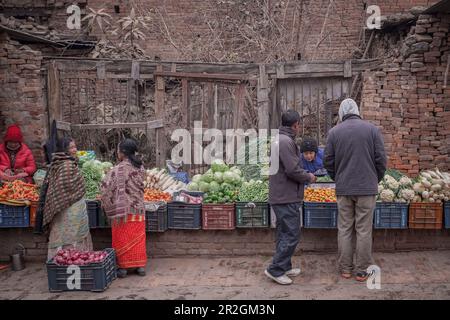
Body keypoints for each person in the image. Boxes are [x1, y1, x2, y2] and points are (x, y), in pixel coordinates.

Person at [324, 98, 387, 282]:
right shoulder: (372, 130)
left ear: (342, 113)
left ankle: (345, 269)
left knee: (344, 228)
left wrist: (339, 178)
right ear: (357, 111)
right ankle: (362, 271)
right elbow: (381, 160)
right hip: (367, 188)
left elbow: (328, 161)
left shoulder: (334, 132)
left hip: (344, 188)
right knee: (364, 230)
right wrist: (375, 179)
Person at [265, 109, 316, 285]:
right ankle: (275, 269)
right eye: (299, 125)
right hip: (286, 196)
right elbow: (293, 170)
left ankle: (284, 266)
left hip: (281, 194)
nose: (299, 127)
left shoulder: (280, 139)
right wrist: (309, 177)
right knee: (292, 234)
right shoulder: (286, 142)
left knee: (283, 232)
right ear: (295, 125)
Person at [101, 139, 146, 278]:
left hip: (123, 212)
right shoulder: (140, 167)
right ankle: (140, 266)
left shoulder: (117, 169)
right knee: (138, 238)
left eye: (118, 150)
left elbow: (105, 187)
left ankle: (124, 268)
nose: (117, 152)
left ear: (123, 153)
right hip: (138, 209)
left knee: (122, 239)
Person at [43, 137, 93, 260]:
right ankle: (69, 259)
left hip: (70, 205)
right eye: (71, 147)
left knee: (69, 234)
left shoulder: (59, 162)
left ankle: (70, 259)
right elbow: (63, 187)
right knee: (70, 235)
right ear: (64, 150)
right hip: (68, 208)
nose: (75, 149)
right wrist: (74, 193)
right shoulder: (66, 165)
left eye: (75, 146)